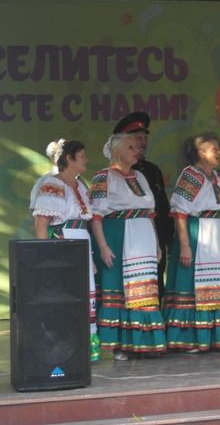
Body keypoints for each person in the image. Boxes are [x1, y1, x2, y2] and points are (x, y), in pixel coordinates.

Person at [90, 134, 166, 360]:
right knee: (120, 289)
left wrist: (156, 243)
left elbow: (150, 213)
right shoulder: (103, 177)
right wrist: (103, 246)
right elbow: (96, 216)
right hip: (118, 236)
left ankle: (143, 341)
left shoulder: (140, 176)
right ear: (116, 152)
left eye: (136, 146)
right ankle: (120, 344)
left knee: (144, 289)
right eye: (130, 147)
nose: (136, 150)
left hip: (143, 237)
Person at [163, 133, 220, 352]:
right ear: (200, 153)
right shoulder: (191, 175)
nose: (219, 152)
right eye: (214, 149)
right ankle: (192, 338)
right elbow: (180, 212)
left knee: (217, 286)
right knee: (193, 286)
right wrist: (185, 246)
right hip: (197, 234)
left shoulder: (214, 177)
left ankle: (217, 337)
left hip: (216, 236)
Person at [30, 139, 100, 361]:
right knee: (67, 293)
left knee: (85, 292)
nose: (86, 160)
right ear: (69, 159)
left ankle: (87, 347)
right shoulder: (52, 184)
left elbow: (88, 220)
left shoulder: (81, 186)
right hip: (63, 241)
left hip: (81, 241)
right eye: (82, 156)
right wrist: (46, 258)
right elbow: (41, 223)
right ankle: (67, 346)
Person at [113, 112, 173, 301]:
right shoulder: (114, 174)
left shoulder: (152, 170)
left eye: (145, 138)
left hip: (155, 233)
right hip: (129, 236)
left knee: (156, 280)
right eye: (137, 138)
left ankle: (153, 317)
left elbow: (162, 203)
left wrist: (167, 234)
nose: (143, 142)